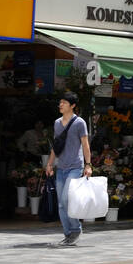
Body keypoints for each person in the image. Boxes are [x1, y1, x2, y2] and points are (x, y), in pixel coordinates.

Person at [44, 92, 92, 247]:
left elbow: (85, 145)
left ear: (72, 106)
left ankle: (76, 229)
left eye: (64, 102)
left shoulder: (80, 123)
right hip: (61, 167)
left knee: (66, 199)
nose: (60, 105)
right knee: (61, 204)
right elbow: (56, 146)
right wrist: (50, 164)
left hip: (75, 167)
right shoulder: (57, 123)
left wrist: (88, 165)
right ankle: (68, 234)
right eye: (60, 102)